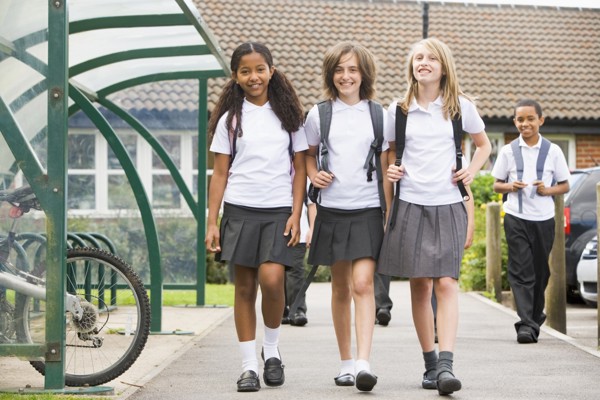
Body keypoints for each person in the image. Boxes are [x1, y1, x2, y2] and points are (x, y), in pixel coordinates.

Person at [377, 37, 491, 396]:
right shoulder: (398, 110)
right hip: (410, 203)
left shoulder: (461, 107)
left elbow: (484, 144)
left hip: (449, 204)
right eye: (417, 58)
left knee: (446, 283)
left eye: (430, 58)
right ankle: (429, 365)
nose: (422, 63)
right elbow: (388, 154)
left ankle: (446, 365)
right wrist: (391, 173)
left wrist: (471, 170)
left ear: (443, 67)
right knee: (421, 285)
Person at [205, 42, 307, 393]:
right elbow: (219, 174)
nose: (254, 76)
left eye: (260, 69)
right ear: (235, 76)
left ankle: (272, 348)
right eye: (245, 71)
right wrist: (211, 221)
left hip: (278, 210)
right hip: (239, 209)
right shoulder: (230, 121)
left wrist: (296, 213)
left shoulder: (290, 117)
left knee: (273, 279)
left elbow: (300, 169)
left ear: (271, 71)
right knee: (245, 287)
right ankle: (249, 365)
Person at [305, 41, 392, 392]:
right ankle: (344, 363)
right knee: (340, 287)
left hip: (369, 210)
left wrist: (389, 213)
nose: (346, 76)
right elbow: (307, 156)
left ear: (364, 74)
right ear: (331, 74)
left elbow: (387, 166)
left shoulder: (379, 115)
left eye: (353, 69)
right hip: (332, 211)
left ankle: (363, 363)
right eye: (339, 70)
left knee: (362, 284)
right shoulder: (318, 114)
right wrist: (313, 174)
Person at [491, 99, 570, 344]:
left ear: (540, 120)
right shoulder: (508, 151)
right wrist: (510, 186)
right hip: (516, 217)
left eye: (530, 119)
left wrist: (548, 191)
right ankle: (525, 324)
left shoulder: (553, 151)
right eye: (520, 119)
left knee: (541, 272)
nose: (525, 124)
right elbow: (496, 184)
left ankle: (535, 316)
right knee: (520, 270)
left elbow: (565, 185)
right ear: (515, 122)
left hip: (544, 220)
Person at [282, 197, 316, 326]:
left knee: (295, 271)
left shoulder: (303, 176)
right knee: (277, 272)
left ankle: (297, 310)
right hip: (273, 229)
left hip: (298, 232)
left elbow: (311, 204)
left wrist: (312, 229)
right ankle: (281, 309)